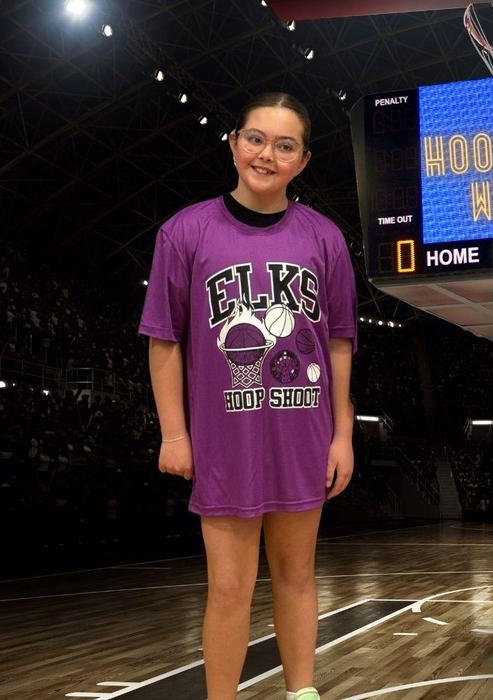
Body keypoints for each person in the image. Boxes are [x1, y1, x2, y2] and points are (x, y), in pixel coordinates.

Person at [138, 92, 357, 700]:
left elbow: (339, 342)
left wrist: (342, 434)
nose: (267, 154)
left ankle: (302, 693)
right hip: (224, 438)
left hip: (303, 435)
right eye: (256, 139)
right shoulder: (185, 231)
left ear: (303, 160)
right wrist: (174, 433)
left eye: (285, 145)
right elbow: (164, 340)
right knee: (229, 587)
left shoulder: (325, 239)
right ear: (233, 142)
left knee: (296, 575)